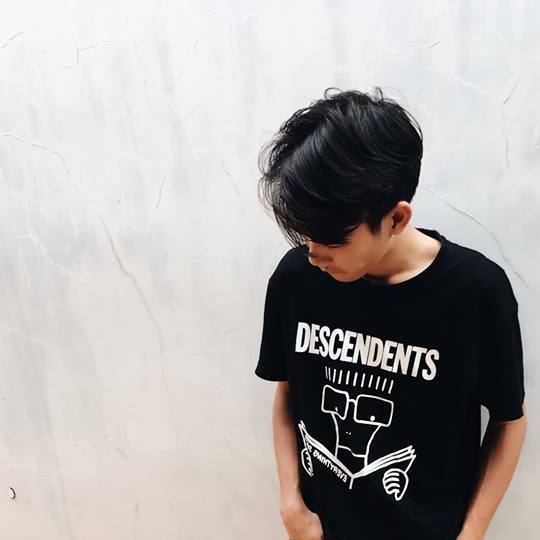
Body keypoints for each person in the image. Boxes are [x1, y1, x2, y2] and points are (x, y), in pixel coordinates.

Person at [253, 87, 527, 540]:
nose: (314, 254)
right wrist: (291, 505)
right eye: (306, 235)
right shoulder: (296, 278)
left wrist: (471, 534)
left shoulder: (476, 292)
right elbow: (288, 391)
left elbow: (508, 421)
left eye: (332, 239)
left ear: (396, 218)